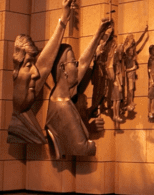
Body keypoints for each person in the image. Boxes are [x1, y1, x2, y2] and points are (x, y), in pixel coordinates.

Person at [7, 0, 72, 145]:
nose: (36, 74)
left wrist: (64, 18)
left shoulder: (26, 116)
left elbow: (45, 63)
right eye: (29, 65)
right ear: (15, 71)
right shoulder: (17, 127)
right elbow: (44, 65)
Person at [45, 18, 112, 158]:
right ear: (63, 68)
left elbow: (83, 63)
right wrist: (92, 142)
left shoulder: (64, 93)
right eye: (72, 62)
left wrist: (99, 32)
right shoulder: (63, 107)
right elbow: (84, 148)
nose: (76, 65)